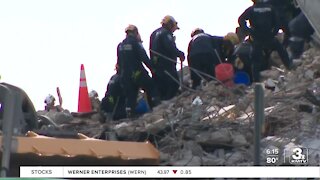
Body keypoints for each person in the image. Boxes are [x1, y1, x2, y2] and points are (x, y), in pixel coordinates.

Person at [238, 0, 294, 82]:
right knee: (282, 51)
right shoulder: (270, 8)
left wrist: (249, 31)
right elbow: (277, 21)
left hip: (258, 38)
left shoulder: (251, 9)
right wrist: (274, 32)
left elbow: (240, 20)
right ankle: (290, 67)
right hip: (269, 36)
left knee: (256, 59)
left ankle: (256, 81)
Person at [117, 24, 160, 118]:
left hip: (125, 76)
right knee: (151, 87)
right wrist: (152, 68)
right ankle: (156, 107)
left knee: (131, 96)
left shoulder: (120, 46)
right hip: (137, 72)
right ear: (136, 32)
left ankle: (130, 115)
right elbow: (143, 57)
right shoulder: (136, 43)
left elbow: (119, 63)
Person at [150, 15, 185, 100]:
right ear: (170, 25)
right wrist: (180, 54)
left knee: (161, 88)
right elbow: (170, 47)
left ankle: (161, 104)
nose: (174, 31)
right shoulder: (165, 33)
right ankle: (168, 103)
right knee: (174, 84)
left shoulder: (154, 33)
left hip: (156, 66)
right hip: (166, 65)